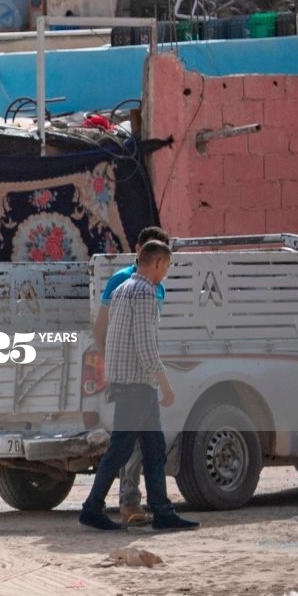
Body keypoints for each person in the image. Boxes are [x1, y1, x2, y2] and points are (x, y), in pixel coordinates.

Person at [79, 240, 198, 532]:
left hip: (127, 384)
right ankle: (92, 508)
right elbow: (145, 345)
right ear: (156, 263)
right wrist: (165, 385)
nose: (166, 273)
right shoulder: (145, 292)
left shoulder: (121, 289)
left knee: (153, 449)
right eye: (167, 266)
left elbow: (118, 340)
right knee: (121, 450)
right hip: (138, 388)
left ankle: (162, 511)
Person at [88, 226, 170, 526]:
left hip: (143, 377)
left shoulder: (156, 287)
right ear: (141, 250)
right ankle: (127, 503)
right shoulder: (123, 282)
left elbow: (149, 335)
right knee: (128, 444)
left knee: (149, 444)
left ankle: (157, 508)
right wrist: (115, 371)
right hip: (130, 378)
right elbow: (102, 331)